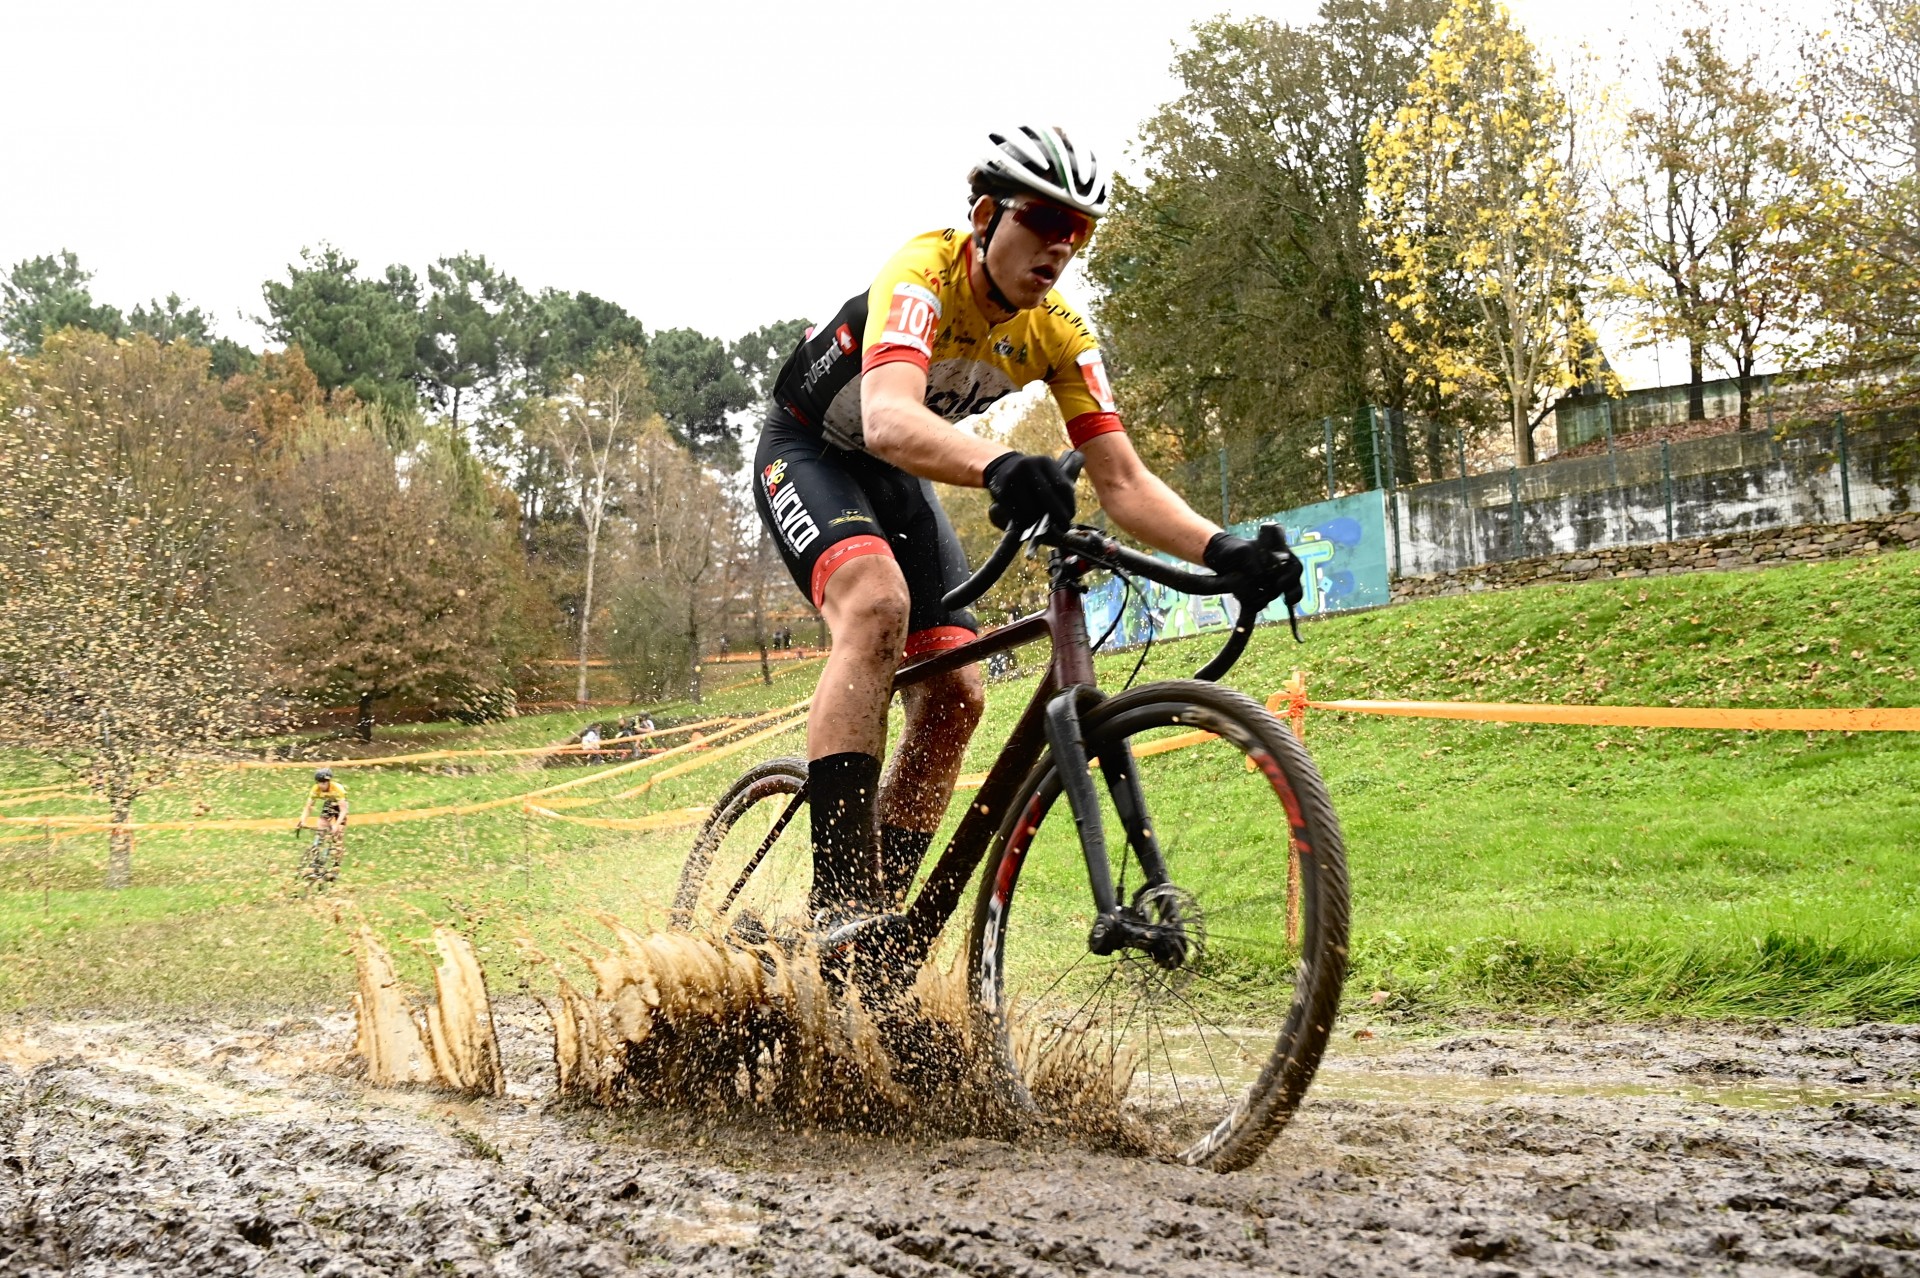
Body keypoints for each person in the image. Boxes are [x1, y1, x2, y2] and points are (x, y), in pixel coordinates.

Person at [753, 125, 1299, 918]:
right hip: (812, 449)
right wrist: (1003, 463)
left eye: (1077, 233)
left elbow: (1125, 483)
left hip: (899, 477)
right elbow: (887, 420)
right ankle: (839, 899)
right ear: (985, 216)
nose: (1060, 247)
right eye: (1043, 222)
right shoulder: (923, 274)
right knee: (875, 605)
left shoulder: (1060, 334)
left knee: (957, 699)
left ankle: (878, 937)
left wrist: (1225, 548)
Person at [295, 767, 349, 879]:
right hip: (329, 804)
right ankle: (316, 858)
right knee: (321, 827)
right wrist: (302, 820)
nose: (321, 785)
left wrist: (337, 825)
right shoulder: (315, 789)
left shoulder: (337, 789)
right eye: (319, 783)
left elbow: (343, 810)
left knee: (338, 836)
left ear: (328, 781)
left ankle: (336, 867)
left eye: (324, 783)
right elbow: (308, 806)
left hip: (340, 806)